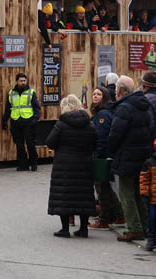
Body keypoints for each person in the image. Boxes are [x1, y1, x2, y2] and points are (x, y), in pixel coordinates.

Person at [46, 94, 97, 238]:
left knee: (64, 195)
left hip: (64, 165)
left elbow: (50, 142)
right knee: (84, 195)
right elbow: (94, 144)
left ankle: (65, 229)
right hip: (85, 164)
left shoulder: (61, 124)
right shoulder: (90, 124)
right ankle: (83, 229)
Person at [109, 75, 153, 241]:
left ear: (120, 90)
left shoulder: (124, 108)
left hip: (127, 155)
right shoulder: (144, 105)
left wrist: (111, 151)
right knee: (137, 192)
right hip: (142, 154)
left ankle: (134, 228)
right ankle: (145, 226)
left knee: (126, 193)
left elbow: (115, 134)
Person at [89, 86, 125, 229]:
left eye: (98, 94)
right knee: (105, 187)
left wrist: (97, 156)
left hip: (102, 156)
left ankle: (104, 219)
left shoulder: (103, 114)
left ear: (104, 97)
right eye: (94, 94)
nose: (95, 96)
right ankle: (119, 215)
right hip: (104, 155)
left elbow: (101, 138)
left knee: (102, 188)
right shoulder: (100, 113)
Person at [2, 73, 40, 171]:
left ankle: (34, 164)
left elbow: (36, 107)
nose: (23, 82)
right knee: (19, 145)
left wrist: (35, 118)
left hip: (28, 121)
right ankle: (23, 165)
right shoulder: (11, 93)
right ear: (17, 81)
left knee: (30, 144)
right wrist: (5, 120)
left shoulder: (31, 92)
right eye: (21, 81)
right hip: (15, 121)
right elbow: (8, 108)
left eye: (24, 81)